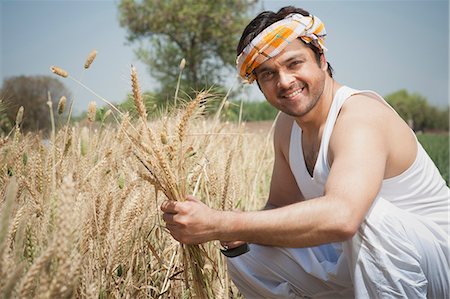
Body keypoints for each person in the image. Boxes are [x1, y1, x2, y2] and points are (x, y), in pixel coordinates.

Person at [161, 6, 450, 298]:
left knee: (366, 214)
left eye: (294, 63)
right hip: (360, 262)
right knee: (247, 251)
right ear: (259, 86)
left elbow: (344, 216)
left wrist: (222, 222)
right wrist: (233, 231)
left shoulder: (359, 116)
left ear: (322, 60)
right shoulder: (287, 128)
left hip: (435, 262)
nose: (284, 81)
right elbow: (279, 207)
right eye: (268, 74)